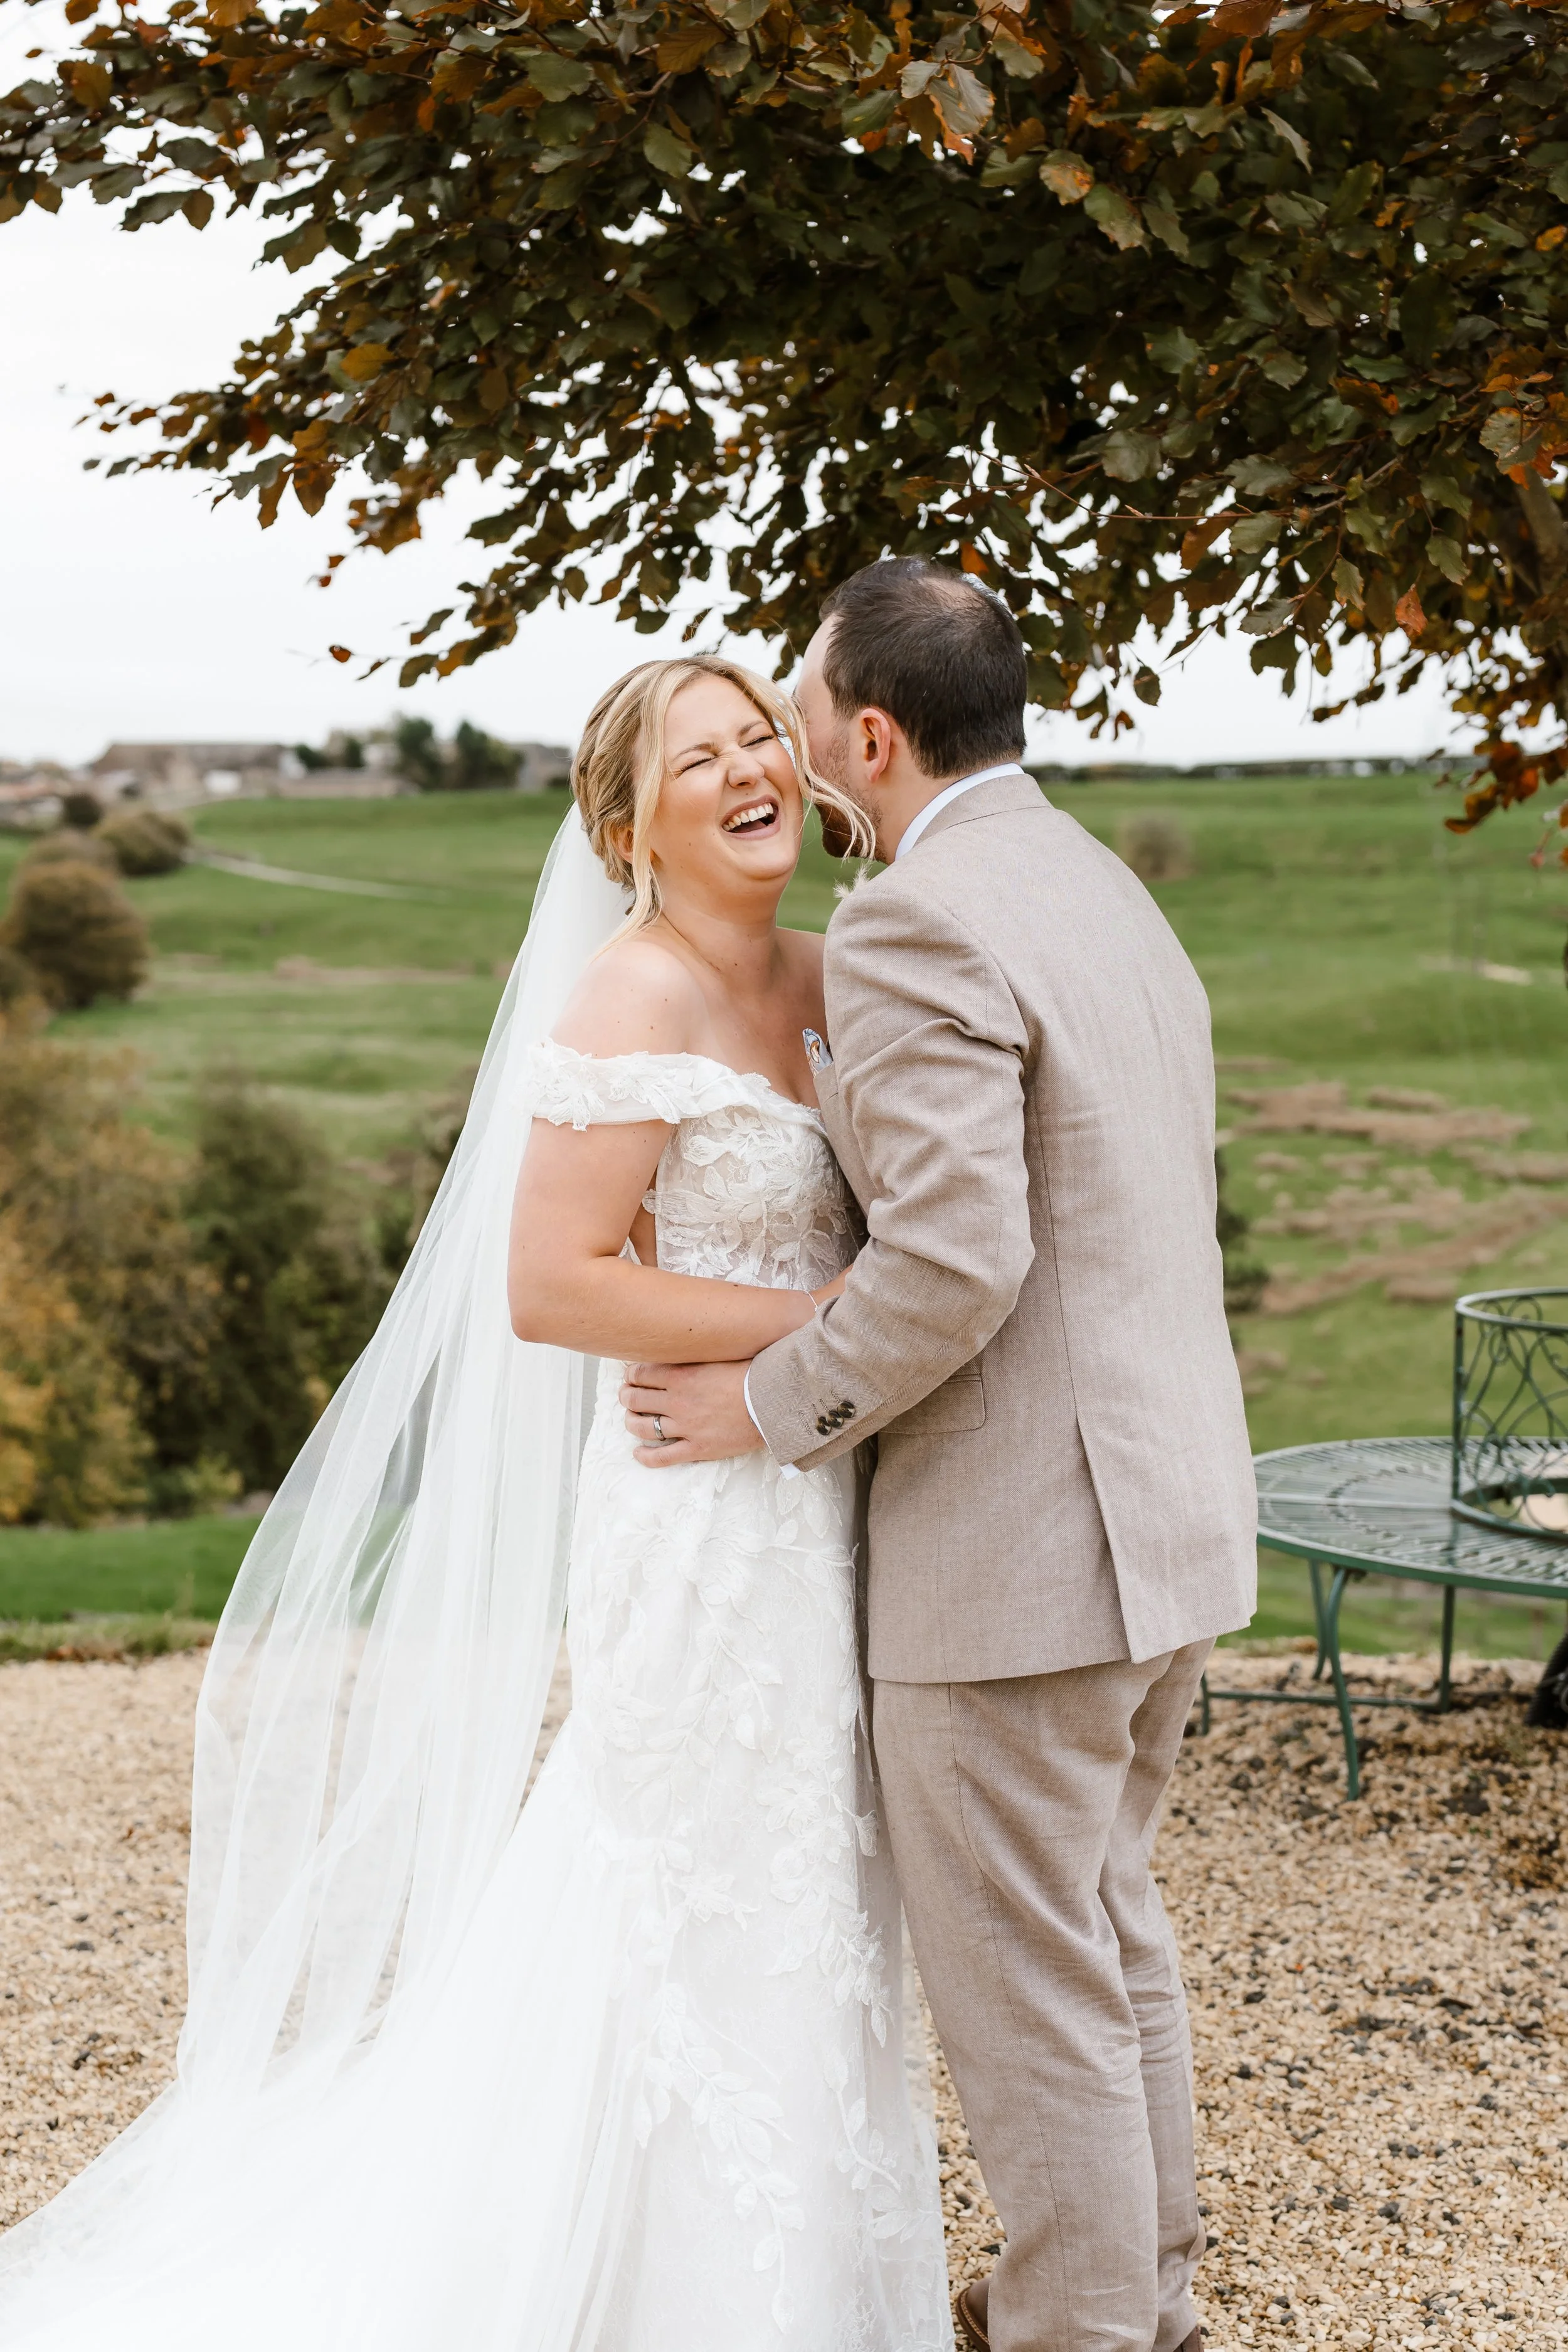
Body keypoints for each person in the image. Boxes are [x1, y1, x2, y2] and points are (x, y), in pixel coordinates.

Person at [0, 655, 950, 2351]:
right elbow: (554, 1283)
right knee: (700, 1879)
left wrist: (859, 1351)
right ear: (626, 824)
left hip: (843, 1499)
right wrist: (826, 1329)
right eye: (698, 758)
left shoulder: (838, 975)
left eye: (759, 740)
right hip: (700, 1519)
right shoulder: (625, 997)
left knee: (831, 1889)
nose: (746, 772)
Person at [620, 559, 1259, 2352]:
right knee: (1105, 1933)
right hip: (1168, 1517)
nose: (786, 739)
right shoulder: (1094, 879)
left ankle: (1078, 2330)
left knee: (1032, 1989)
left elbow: (958, 1259)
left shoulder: (914, 920)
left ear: (869, 734)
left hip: (1021, 1554)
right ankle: (1147, 2294)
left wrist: (762, 1405)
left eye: (800, 706)